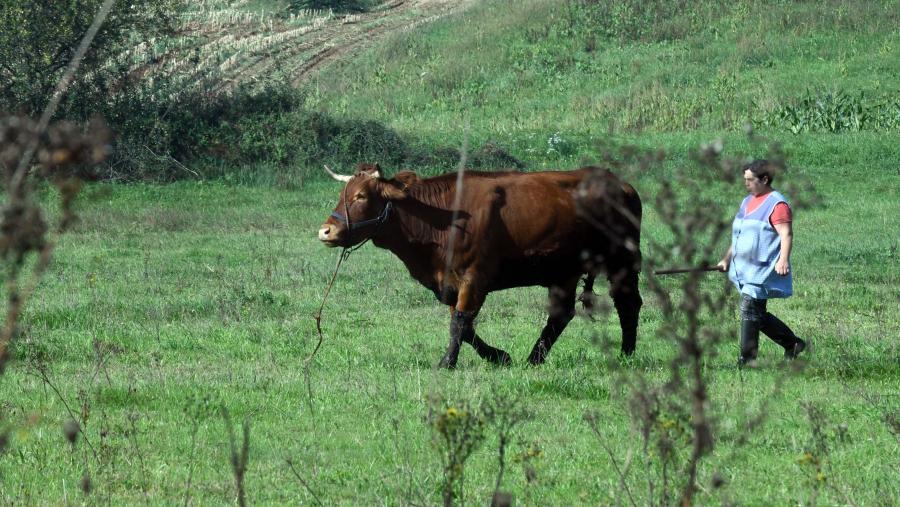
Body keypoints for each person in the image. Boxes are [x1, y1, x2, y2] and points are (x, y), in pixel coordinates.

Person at [716, 160, 806, 368]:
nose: (746, 184)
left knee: (749, 308)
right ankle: (793, 344)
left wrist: (783, 260)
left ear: (765, 179)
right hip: (744, 268)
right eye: (744, 180)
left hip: (763, 268)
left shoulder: (778, 205)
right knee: (756, 314)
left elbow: (786, 234)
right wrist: (726, 259)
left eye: (750, 180)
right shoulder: (747, 202)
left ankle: (747, 360)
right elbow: (738, 235)